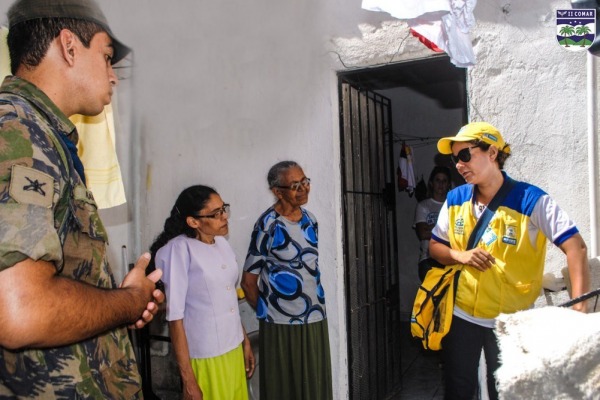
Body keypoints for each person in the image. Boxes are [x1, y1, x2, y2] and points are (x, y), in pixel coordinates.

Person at [0, 0, 165, 397]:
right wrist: (127, 302)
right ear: (70, 46)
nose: (114, 77)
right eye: (107, 58)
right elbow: (20, 311)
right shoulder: (17, 132)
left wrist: (109, 304)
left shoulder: (43, 134)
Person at [429, 122, 590, 400]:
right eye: (455, 159)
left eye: (465, 155)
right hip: (461, 314)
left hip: (510, 321)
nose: (458, 165)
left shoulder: (531, 200)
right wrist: (459, 255)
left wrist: (579, 313)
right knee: (458, 388)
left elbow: (576, 248)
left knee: (505, 392)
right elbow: (435, 247)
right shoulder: (455, 199)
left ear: (492, 152)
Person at [150, 185, 255, 400]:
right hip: (206, 356)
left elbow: (229, 300)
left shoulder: (222, 245)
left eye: (223, 209)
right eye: (216, 214)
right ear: (193, 221)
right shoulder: (179, 251)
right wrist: (188, 381)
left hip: (232, 348)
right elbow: (175, 318)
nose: (224, 216)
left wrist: (244, 342)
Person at [241, 161, 333, 400]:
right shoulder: (267, 225)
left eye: (305, 182)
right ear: (277, 191)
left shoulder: (310, 220)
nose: (303, 188)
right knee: (284, 389)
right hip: (280, 325)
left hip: (314, 317)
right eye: (295, 185)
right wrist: (269, 313)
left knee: (314, 388)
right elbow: (248, 281)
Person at [413, 165, 451, 281]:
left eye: (444, 181)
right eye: (437, 180)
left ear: (449, 185)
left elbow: (458, 233)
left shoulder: (453, 206)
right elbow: (423, 234)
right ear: (431, 183)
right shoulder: (423, 206)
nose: (441, 184)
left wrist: (432, 228)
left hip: (449, 259)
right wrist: (446, 231)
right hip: (427, 261)